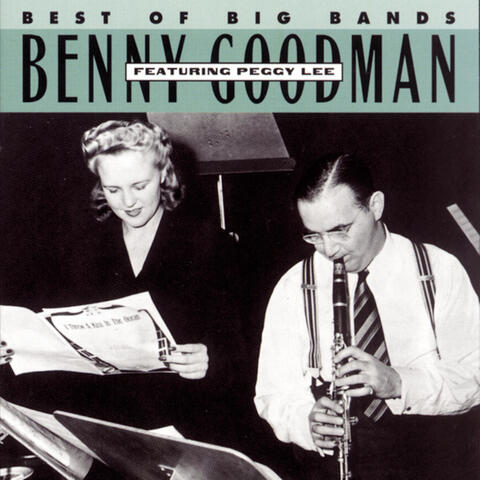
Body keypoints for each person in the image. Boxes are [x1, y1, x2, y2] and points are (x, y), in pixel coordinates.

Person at [0, 120, 246, 449]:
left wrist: (211, 359)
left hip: (190, 425)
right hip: (111, 427)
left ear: (164, 174)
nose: (128, 202)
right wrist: (12, 348)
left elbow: (244, 350)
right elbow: (51, 337)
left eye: (139, 186)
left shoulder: (209, 244)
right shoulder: (83, 248)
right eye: (113, 190)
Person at [255, 153, 480, 480]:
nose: (329, 249)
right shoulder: (294, 285)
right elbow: (273, 393)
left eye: (340, 230)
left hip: (433, 461)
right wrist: (307, 422)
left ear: (375, 206)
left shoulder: (438, 270)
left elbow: (474, 376)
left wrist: (398, 382)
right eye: (314, 235)